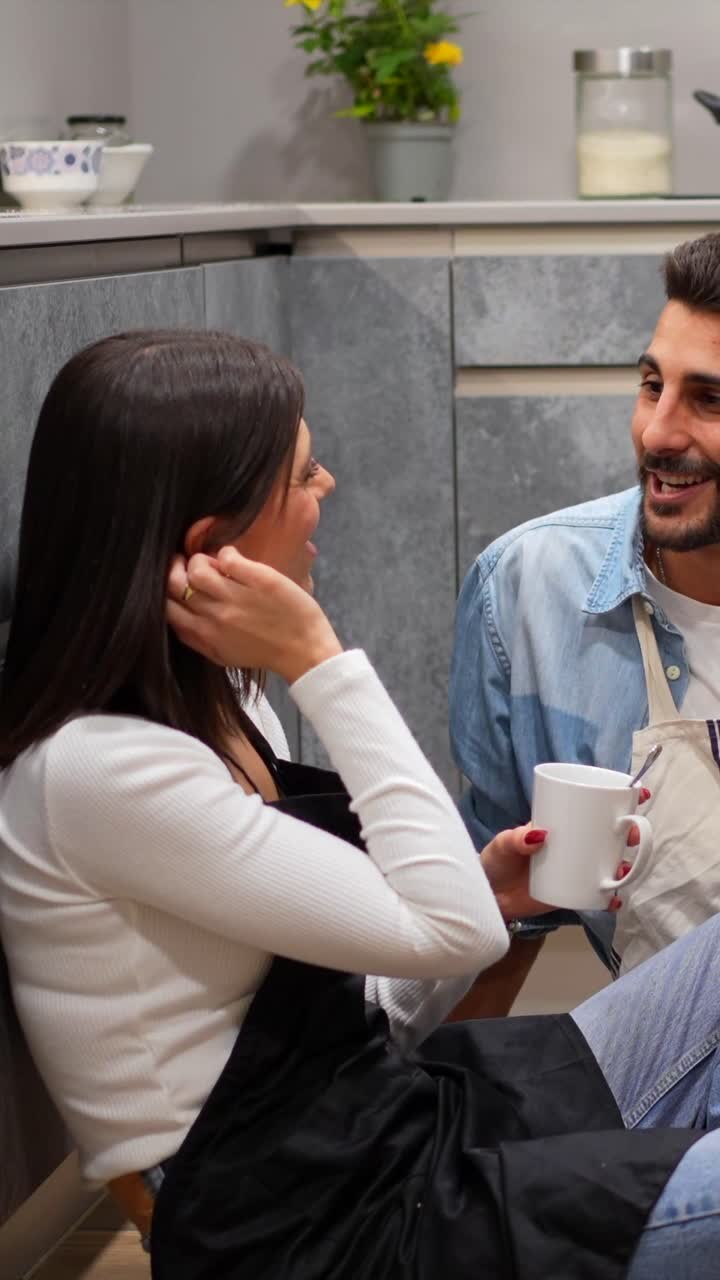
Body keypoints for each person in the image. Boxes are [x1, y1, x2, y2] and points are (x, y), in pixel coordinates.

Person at [0, 329, 718, 1280]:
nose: (327, 487)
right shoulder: (101, 772)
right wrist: (322, 662)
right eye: (301, 474)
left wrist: (487, 892)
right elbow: (450, 937)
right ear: (211, 542)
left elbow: (360, 1006)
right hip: (314, 1232)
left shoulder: (221, 708)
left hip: (384, 1128)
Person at [450, 230, 720, 996]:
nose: (659, 433)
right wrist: (459, 1107)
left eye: (711, 399)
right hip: (659, 1085)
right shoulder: (530, 591)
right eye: (650, 385)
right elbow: (502, 918)